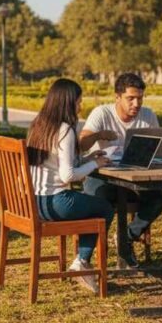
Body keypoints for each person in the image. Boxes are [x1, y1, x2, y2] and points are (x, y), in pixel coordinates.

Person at [29, 78, 114, 293]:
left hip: (36, 204)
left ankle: (81, 262)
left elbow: (58, 164)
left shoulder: (38, 125)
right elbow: (67, 175)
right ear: (68, 102)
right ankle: (81, 262)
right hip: (58, 203)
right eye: (78, 101)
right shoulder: (65, 130)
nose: (80, 106)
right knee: (104, 208)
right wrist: (96, 164)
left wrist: (87, 158)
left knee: (92, 207)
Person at [79, 72, 162, 267]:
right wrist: (98, 135)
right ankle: (86, 258)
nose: (136, 103)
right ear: (117, 97)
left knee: (158, 198)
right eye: (130, 98)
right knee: (100, 202)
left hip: (135, 177)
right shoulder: (102, 113)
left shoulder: (148, 115)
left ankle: (126, 238)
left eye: (140, 98)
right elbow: (82, 143)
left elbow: (159, 150)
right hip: (102, 176)